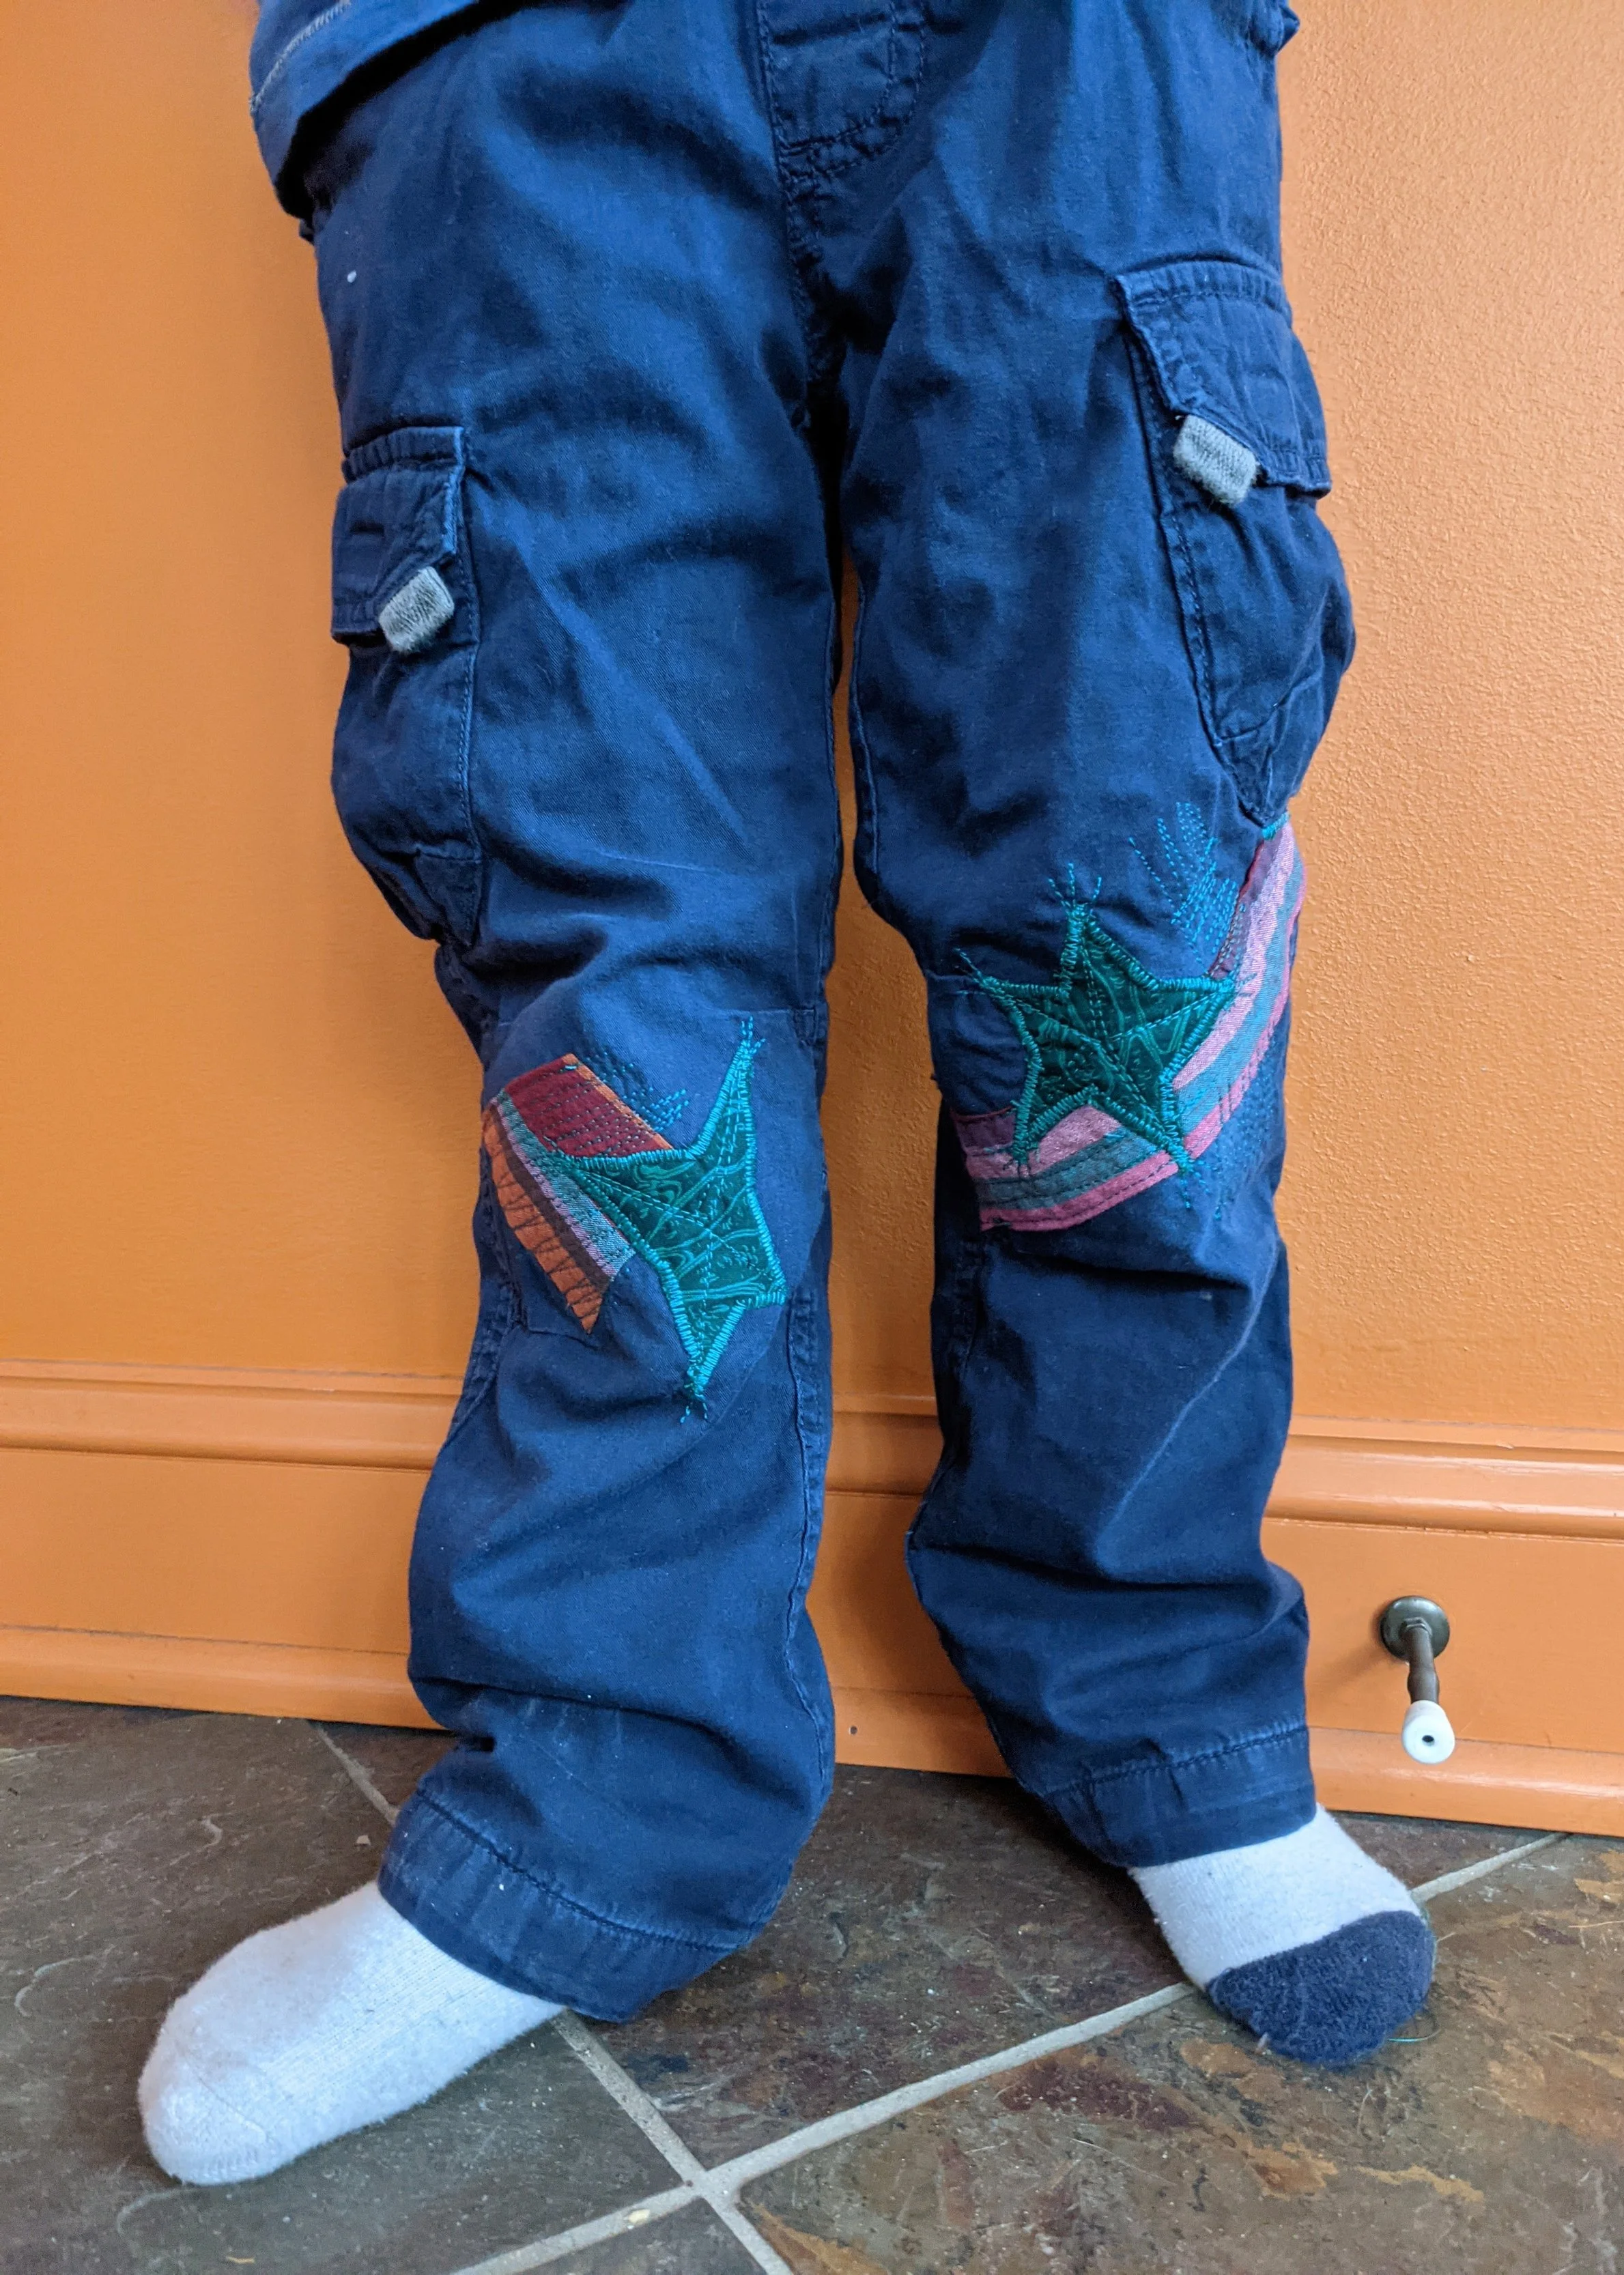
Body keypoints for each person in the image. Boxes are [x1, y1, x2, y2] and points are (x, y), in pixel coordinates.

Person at [139, 0, 1431, 2187]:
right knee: (615, 982)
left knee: (1125, 889)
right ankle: (598, 1799)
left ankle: (1156, 1691)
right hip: (490, 47)